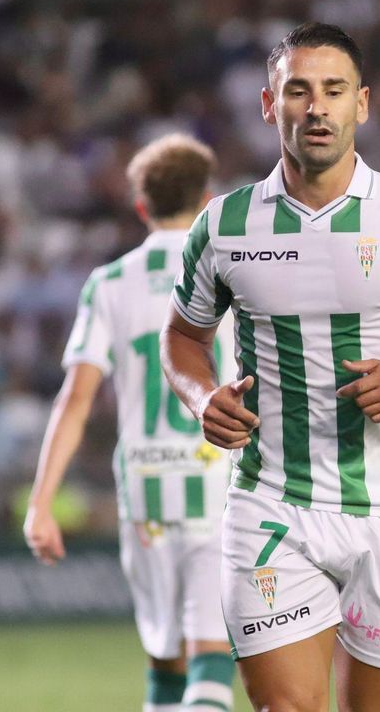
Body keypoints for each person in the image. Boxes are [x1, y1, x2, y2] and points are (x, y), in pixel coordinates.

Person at [161, 23, 380, 712]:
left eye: (334, 91)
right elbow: (181, 338)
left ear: (364, 105)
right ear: (270, 105)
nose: (316, 107)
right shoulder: (225, 226)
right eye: (299, 91)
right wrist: (201, 396)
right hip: (272, 505)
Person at [24, 134, 237, 712]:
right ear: (208, 199)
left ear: (141, 207)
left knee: (165, 659)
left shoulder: (109, 283)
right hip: (222, 482)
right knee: (212, 650)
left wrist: (42, 501)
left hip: (144, 488)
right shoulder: (231, 273)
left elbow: (76, 399)